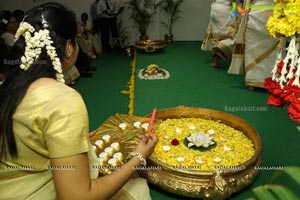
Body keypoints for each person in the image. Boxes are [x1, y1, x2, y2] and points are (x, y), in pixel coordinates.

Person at [0, 3, 158, 200]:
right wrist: (138, 157)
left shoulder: (8, 85)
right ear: (68, 47)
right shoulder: (62, 100)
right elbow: (78, 197)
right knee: (138, 187)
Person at [228, 0, 279, 90]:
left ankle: (252, 80)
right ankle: (270, 80)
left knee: (252, 49)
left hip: (255, 14)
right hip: (270, 14)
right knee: (271, 50)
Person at [201, 0, 239, 67]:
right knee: (233, 35)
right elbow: (233, 2)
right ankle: (220, 50)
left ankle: (214, 62)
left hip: (214, 8)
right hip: (225, 9)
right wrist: (234, 12)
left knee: (215, 36)